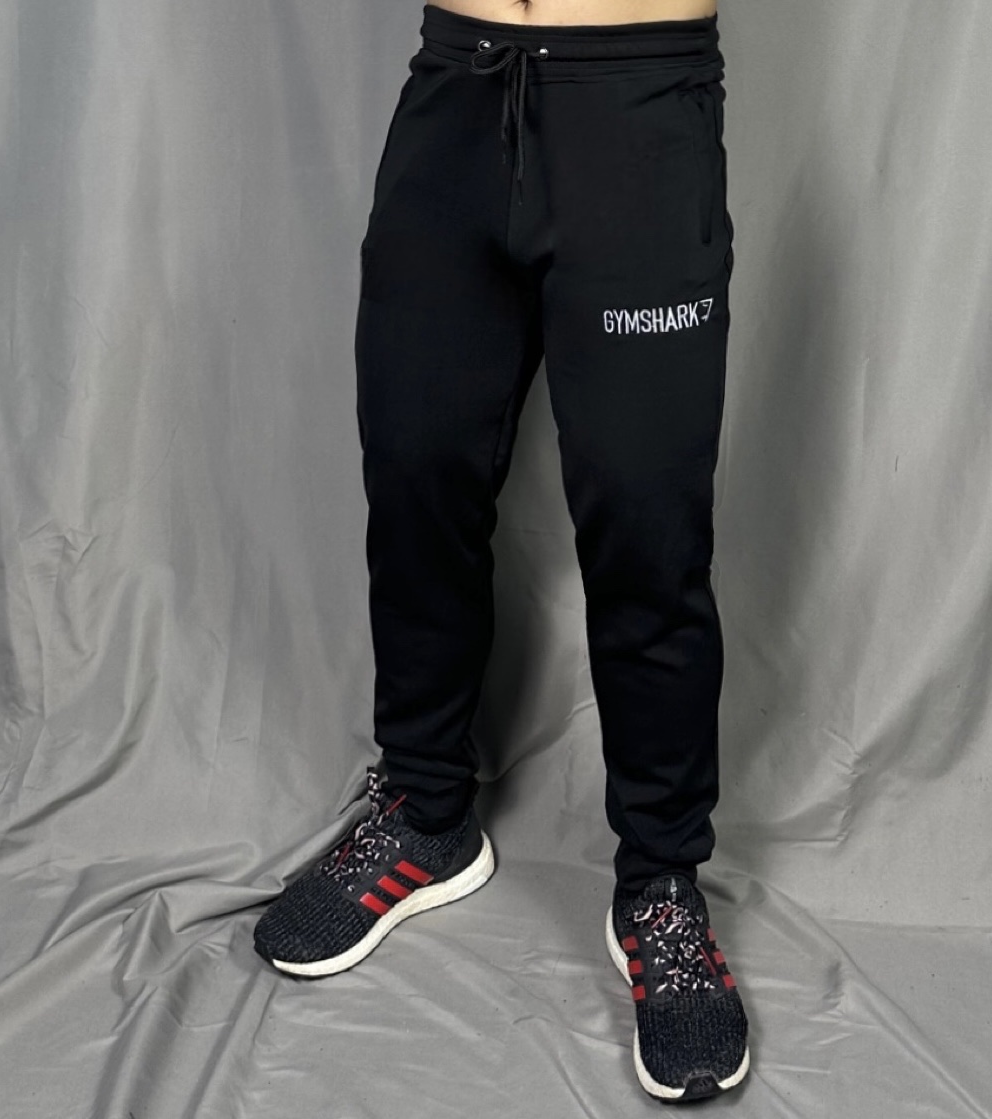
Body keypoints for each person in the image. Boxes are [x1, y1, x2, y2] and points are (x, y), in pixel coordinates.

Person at [254, 0, 748, 1101]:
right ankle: (425, 811)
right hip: (455, 93)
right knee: (416, 473)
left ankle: (660, 883)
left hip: (636, 102)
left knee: (646, 525)